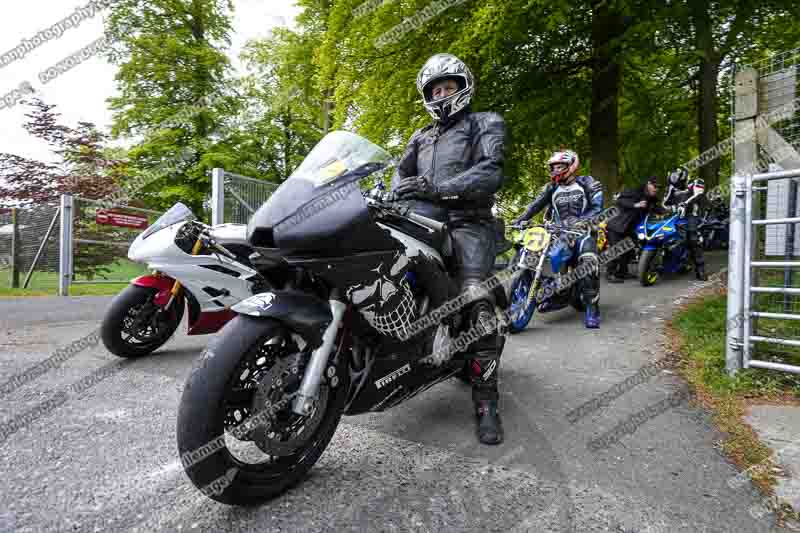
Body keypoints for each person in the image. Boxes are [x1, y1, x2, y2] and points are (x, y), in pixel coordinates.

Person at [390, 53, 507, 445]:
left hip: (469, 222)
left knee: (477, 300)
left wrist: (438, 189)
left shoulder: (485, 122)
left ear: (463, 86)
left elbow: (490, 171)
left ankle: (487, 402)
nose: (441, 95)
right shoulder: (420, 136)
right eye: (435, 90)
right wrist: (391, 192)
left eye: (448, 87)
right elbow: (400, 175)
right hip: (420, 222)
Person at [511, 149, 603, 328]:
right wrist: (519, 220)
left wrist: (583, 221)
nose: (555, 170)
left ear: (572, 166)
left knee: (588, 262)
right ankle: (547, 291)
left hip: (582, 233)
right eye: (553, 167)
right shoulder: (551, 188)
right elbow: (534, 206)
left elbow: (597, 208)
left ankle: (593, 310)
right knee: (530, 250)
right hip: (557, 233)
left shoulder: (588, 183)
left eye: (560, 166)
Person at [606, 177, 666, 283]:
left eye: (658, 187)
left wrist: (669, 210)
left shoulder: (651, 199)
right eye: (654, 186)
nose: (656, 189)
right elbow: (620, 201)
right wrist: (635, 205)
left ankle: (622, 272)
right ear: (648, 184)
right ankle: (610, 273)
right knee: (616, 250)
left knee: (628, 251)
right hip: (617, 225)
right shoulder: (635, 191)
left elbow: (657, 209)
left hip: (630, 228)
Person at [663, 167, 707, 281]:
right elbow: (664, 202)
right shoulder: (671, 188)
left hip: (691, 214)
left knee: (693, 239)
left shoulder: (696, 183)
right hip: (675, 215)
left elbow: (698, 195)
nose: (675, 185)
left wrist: (685, 204)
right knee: (662, 233)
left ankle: (700, 269)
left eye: (677, 182)